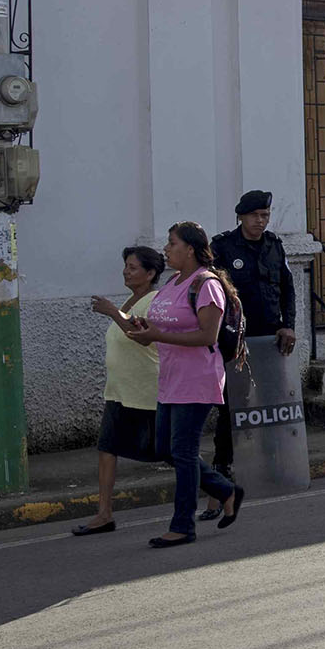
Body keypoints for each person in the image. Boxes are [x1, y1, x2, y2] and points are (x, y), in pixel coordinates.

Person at [121, 222, 243, 548]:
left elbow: (207, 336)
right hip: (170, 379)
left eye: (172, 243)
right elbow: (163, 325)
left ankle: (182, 525)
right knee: (164, 449)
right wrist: (143, 326)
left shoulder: (206, 285)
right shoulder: (174, 282)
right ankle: (224, 489)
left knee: (184, 453)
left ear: (189, 249)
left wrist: (156, 334)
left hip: (198, 380)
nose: (166, 248)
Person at [204, 189, 297, 495]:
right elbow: (213, 293)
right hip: (235, 341)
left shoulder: (273, 246)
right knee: (235, 403)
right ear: (241, 217)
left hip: (270, 337)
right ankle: (224, 465)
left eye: (265, 216)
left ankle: (273, 460)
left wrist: (288, 326)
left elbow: (287, 289)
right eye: (256, 216)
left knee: (272, 402)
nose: (261, 221)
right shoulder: (223, 247)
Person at [74, 246, 165, 537]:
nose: (126, 271)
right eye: (126, 266)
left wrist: (113, 312)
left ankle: (219, 489)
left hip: (144, 391)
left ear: (150, 274)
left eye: (133, 267)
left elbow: (140, 337)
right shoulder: (133, 299)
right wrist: (117, 311)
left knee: (172, 451)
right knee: (107, 448)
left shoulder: (154, 301)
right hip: (119, 391)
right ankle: (104, 513)